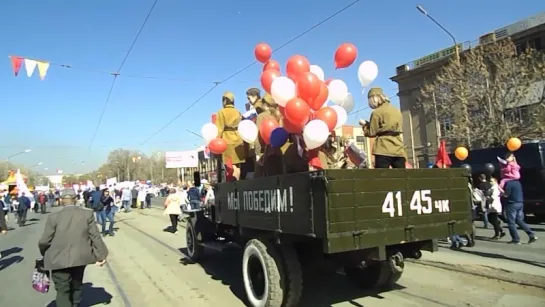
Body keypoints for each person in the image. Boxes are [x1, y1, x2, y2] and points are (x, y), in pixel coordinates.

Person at [38, 188, 108, 307]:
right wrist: (101, 255)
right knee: (77, 283)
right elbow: (95, 236)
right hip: (80, 257)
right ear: (75, 200)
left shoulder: (53, 217)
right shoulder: (87, 213)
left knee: (62, 289)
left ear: (61, 200)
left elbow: (45, 240)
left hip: (57, 259)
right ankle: (75, 304)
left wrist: (44, 252)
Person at [360, 87, 406, 168]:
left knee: (382, 177)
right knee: (401, 177)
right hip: (398, 148)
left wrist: (365, 126)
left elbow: (372, 133)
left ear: (373, 99)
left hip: (383, 148)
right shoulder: (396, 110)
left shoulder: (377, 112)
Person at [215, 91, 246, 180]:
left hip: (227, 140)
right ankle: (239, 181)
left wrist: (217, 142)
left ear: (225, 100)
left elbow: (219, 129)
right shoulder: (238, 112)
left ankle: (233, 184)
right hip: (239, 140)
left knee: (230, 166)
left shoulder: (221, 112)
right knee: (238, 165)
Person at [502, 179, 537, 244]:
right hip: (520, 203)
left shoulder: (509, 183)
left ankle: (516, 239)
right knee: (519, 220)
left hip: (512, 204)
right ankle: (531, 235)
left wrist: (501, 192)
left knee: (511, 222)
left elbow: (506, 195)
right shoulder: (518, 183)